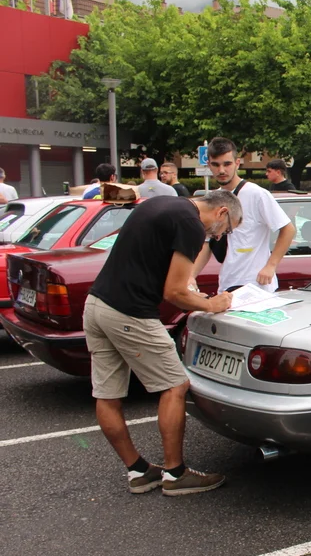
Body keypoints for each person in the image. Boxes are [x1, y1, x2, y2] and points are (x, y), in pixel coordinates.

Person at [85, 188, 242, 496]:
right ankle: (175, 474)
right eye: (226, 230)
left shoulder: (161, 204)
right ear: (222, 212)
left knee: (107, 394)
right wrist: (213, 304)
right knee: (175, 386)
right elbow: (174, 293)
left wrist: (188, 286)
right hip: (130, 313)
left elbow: (151, 261)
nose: (219, 236)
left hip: (97, 304)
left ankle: (138, 471)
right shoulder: (191, 225)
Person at [191, 137, 296, 292]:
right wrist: (191, 276)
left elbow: (288, 229)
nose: (221, 170)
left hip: (257, 285)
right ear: (209, 165)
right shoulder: (212, 199)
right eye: (216, 164)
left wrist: (271, 266)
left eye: (227, 164)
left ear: (237, 163)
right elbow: (207, 243)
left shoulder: (257, 194)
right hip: (227, 284)